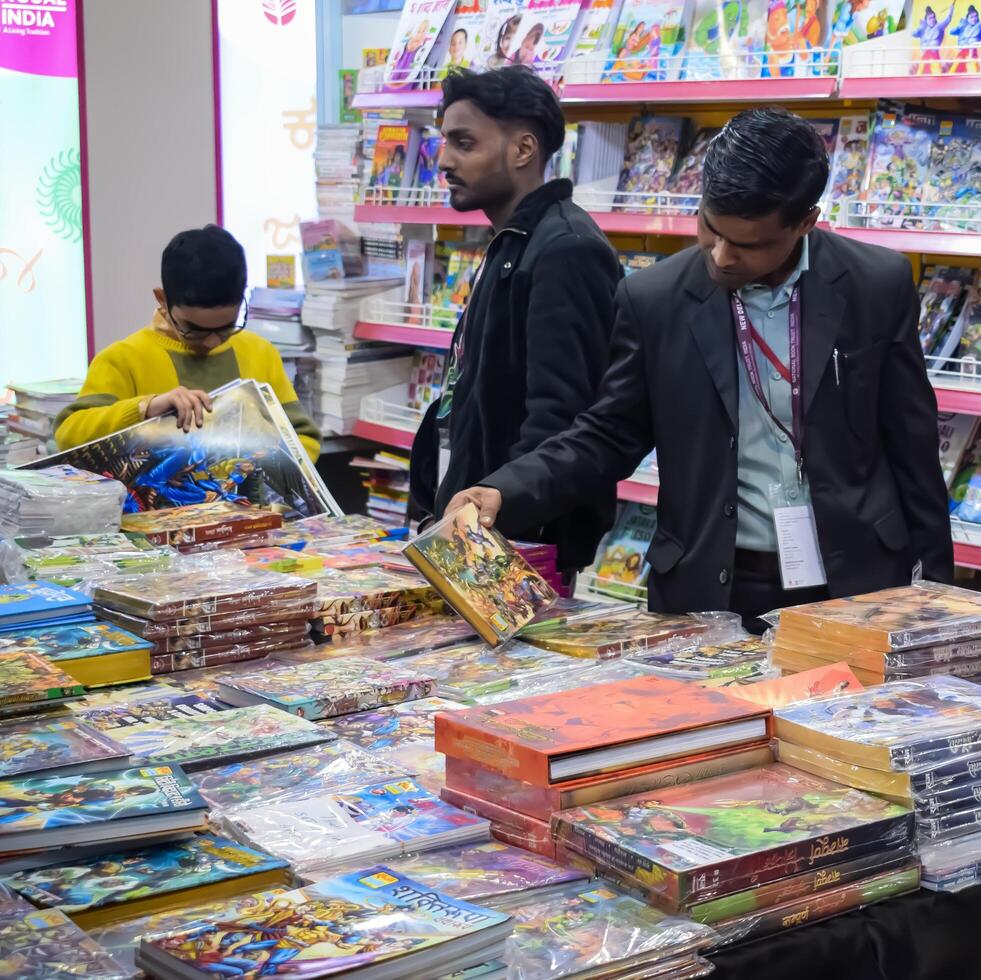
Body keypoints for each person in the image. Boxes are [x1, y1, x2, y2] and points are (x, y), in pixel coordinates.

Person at [446, 107, 953, 630]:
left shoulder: (877, 284)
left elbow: (912, 448)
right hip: (714, 583)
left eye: (749, 245)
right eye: (711, 228)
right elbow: (608, 433)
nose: (722, 257)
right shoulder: (654, 298)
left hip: (858, 580)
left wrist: (937, 602)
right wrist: (507, 489)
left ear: (805, 222)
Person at [409, 66, 621, 578]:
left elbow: (562, 417)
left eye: (464, 143)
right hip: (481, 528)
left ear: (523, 150)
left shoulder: (566, 250)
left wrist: (506, 528)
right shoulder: (515, 241)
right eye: (443, 142)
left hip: (517, 542)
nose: (444, 160)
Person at [55, 225, 320, 462]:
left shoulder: (260, 353)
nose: (212, 340)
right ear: (163, 300)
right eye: (193, 329)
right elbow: (69, 434)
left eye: (227, 326)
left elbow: (303, 438)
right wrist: (145, 408)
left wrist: (269, 469)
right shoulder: (122, 359)